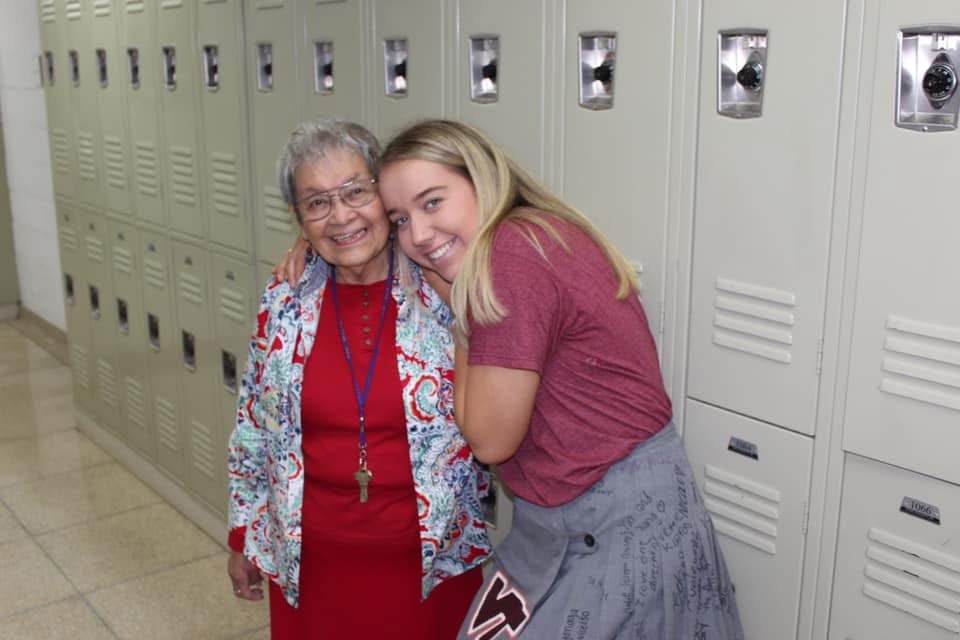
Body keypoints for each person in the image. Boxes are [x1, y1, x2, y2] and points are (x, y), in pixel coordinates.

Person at [374, 119, 745, 639]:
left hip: (618, 519)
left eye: (432, 202)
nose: (416, 234)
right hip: (561, 518)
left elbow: (488, 439)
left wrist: (458, 309)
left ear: (482, 181)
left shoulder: (510, 256)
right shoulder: (529, 234)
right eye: (399, 219)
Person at [226, 118, 490, 640]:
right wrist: (242, 535)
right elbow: (252, 425)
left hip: (430, 570)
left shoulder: (444, 289)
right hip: (312, 566)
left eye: (355, 191)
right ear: (299, 219)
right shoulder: (284, 302)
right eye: (317, 202)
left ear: (384, 197)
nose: (341, 215)